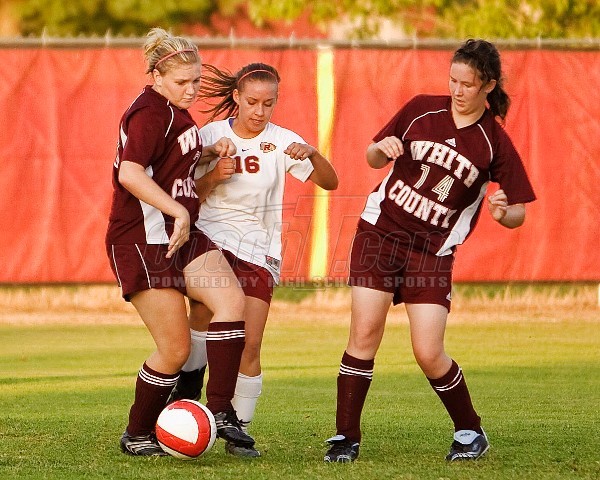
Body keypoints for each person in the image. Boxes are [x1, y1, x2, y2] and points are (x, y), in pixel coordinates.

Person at [323, 39, 536, 463]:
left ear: (489, 86)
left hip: (431, 253)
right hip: (380, 234)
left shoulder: (493, 141)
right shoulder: (422, 109)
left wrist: (502, 213)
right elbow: (371, 156)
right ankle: (346, 438)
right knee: (364, 335)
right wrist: (380, 150)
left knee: (428, 352)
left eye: (468, 84)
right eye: (453, 80)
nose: (457, 90)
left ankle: (470, 431)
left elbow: (518, 212)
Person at [166, 62, 339, 457]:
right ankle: (190, 386)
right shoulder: (211, 136)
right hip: (211, 240)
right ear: (237, 98)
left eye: (268, 103)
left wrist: (313, 153)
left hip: (260, 250)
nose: (260, 111)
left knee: (251, 343)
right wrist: (214, 176)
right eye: (252, 102)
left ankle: (237, 429)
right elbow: (185, 194)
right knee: (204, 317)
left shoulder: (283, 141)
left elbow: (331, 183)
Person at [105, 27, 256, 456]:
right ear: (156, 76)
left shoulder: (177, 112)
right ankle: (137, 433)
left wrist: (207, 154)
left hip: (180, 233)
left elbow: (170, 164)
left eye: (196, 80)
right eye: (181, 81)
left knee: (231, 302)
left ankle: (220, 410)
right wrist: (179, 211)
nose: (191, 89)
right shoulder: (149, 113)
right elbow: (130, 173)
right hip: (143, 239)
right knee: (173, 350)